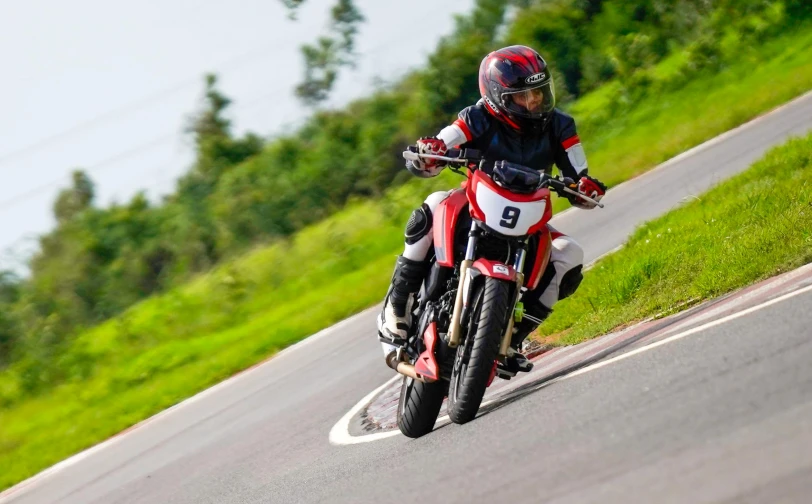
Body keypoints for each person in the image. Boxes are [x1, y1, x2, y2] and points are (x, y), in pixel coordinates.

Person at [377, 45, 606, 374]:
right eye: (521, 97)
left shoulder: (561, 126)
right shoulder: (477, 116)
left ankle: (514, 337)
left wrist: (585, 187)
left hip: (529, 213)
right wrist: (433, 150)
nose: (533, 103)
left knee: (570, 254)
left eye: (538, 93)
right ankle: (397, 307)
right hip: (477, 201)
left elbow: (578, 177)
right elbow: (448, 140)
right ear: (497, 97)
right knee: (433, 204)